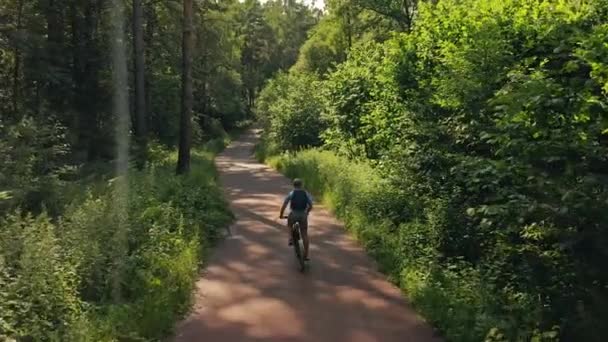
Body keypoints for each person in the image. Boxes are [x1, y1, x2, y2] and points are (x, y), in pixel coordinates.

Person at [279, 178, 313, 261]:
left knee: (290, 225)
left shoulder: (291, 193)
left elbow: (284, 204)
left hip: (293, 214)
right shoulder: (306, 193)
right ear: (301, 185)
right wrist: (307, 212)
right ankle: (306, 255)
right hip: (303, 215)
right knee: (304, 233)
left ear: (293, 185)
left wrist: (281, 215)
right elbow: (311, 205)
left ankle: (290, 238)